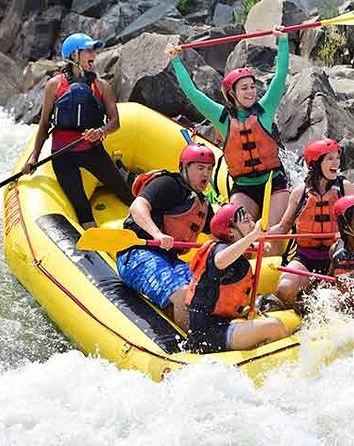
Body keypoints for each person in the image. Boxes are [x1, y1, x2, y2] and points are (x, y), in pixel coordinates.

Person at [165, 28, 290, 254]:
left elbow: (280, 76)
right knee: (232, 233)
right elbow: (192, 93)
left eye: (252, 86)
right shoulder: (222, 118)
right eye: (244, 88)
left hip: (274, 184)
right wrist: (176, 61)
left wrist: (282, 41)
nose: (251, 92)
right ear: (231, 94)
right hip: (244, 186)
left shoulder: (265, 109)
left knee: (270, 239)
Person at [21, 33, 134, 229]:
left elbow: (115, 122)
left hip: (92, 151)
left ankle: (147, 226)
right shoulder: (54, 85)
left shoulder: (102, 86)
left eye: (94, 51)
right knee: (81, 206)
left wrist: (100, 131)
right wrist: (34, 159)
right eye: (89, 51)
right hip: (62, 156)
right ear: (74, 55)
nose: (94, 55)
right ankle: (95, 248)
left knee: (125, 193)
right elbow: (44, 124)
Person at [116, 142, 216, 331]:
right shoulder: (168, 183)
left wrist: (250, 238)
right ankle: (195, 344)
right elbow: (137, 207)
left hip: (169, 259)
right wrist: (157, 234)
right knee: (185, 294)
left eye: (209, 169)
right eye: (200, 168)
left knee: (204, 292)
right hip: (137, 254)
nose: (206, 174)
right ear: (185, 167)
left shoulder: (202, 203)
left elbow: (218, 233)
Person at [186, 204, 291, 353]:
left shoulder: (235, 253)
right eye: (246, 221)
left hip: (219, 324)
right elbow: (220, 261)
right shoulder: (220, 251)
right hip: (208, 334)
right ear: (231, 232)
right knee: (275, 326)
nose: (253, 224)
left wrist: (242, 310)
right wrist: (254, 235)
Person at [268, 138, 354, 308]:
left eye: (337, 157)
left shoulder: (346, 188)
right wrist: (258, 237)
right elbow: (283, 227)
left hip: (337, 258)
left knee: (345, 300)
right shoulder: (299, 193)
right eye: (329, 158)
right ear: (315, 164)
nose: (336, 162)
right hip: (306, 258)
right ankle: (298, 309)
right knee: (285, 288)